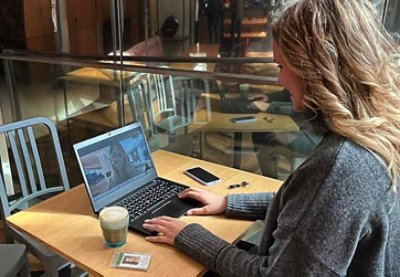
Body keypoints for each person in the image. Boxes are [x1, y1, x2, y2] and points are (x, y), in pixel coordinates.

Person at [143, 0, 400, 275]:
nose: (279, 80)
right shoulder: (377, 134)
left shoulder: (340, 167)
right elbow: (312, 209)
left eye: (281, 66)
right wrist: (228, 203)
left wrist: (189, 236)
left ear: (316, 68)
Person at [249, 89, 321, 178]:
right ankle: (270, 179)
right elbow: (287, 93)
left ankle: (272, 180)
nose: (278, 81)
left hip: (316, 139)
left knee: (264, 136)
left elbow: (304, 108)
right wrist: (269, 97)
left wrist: (270, 106)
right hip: (303, 127)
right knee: (260, 134)